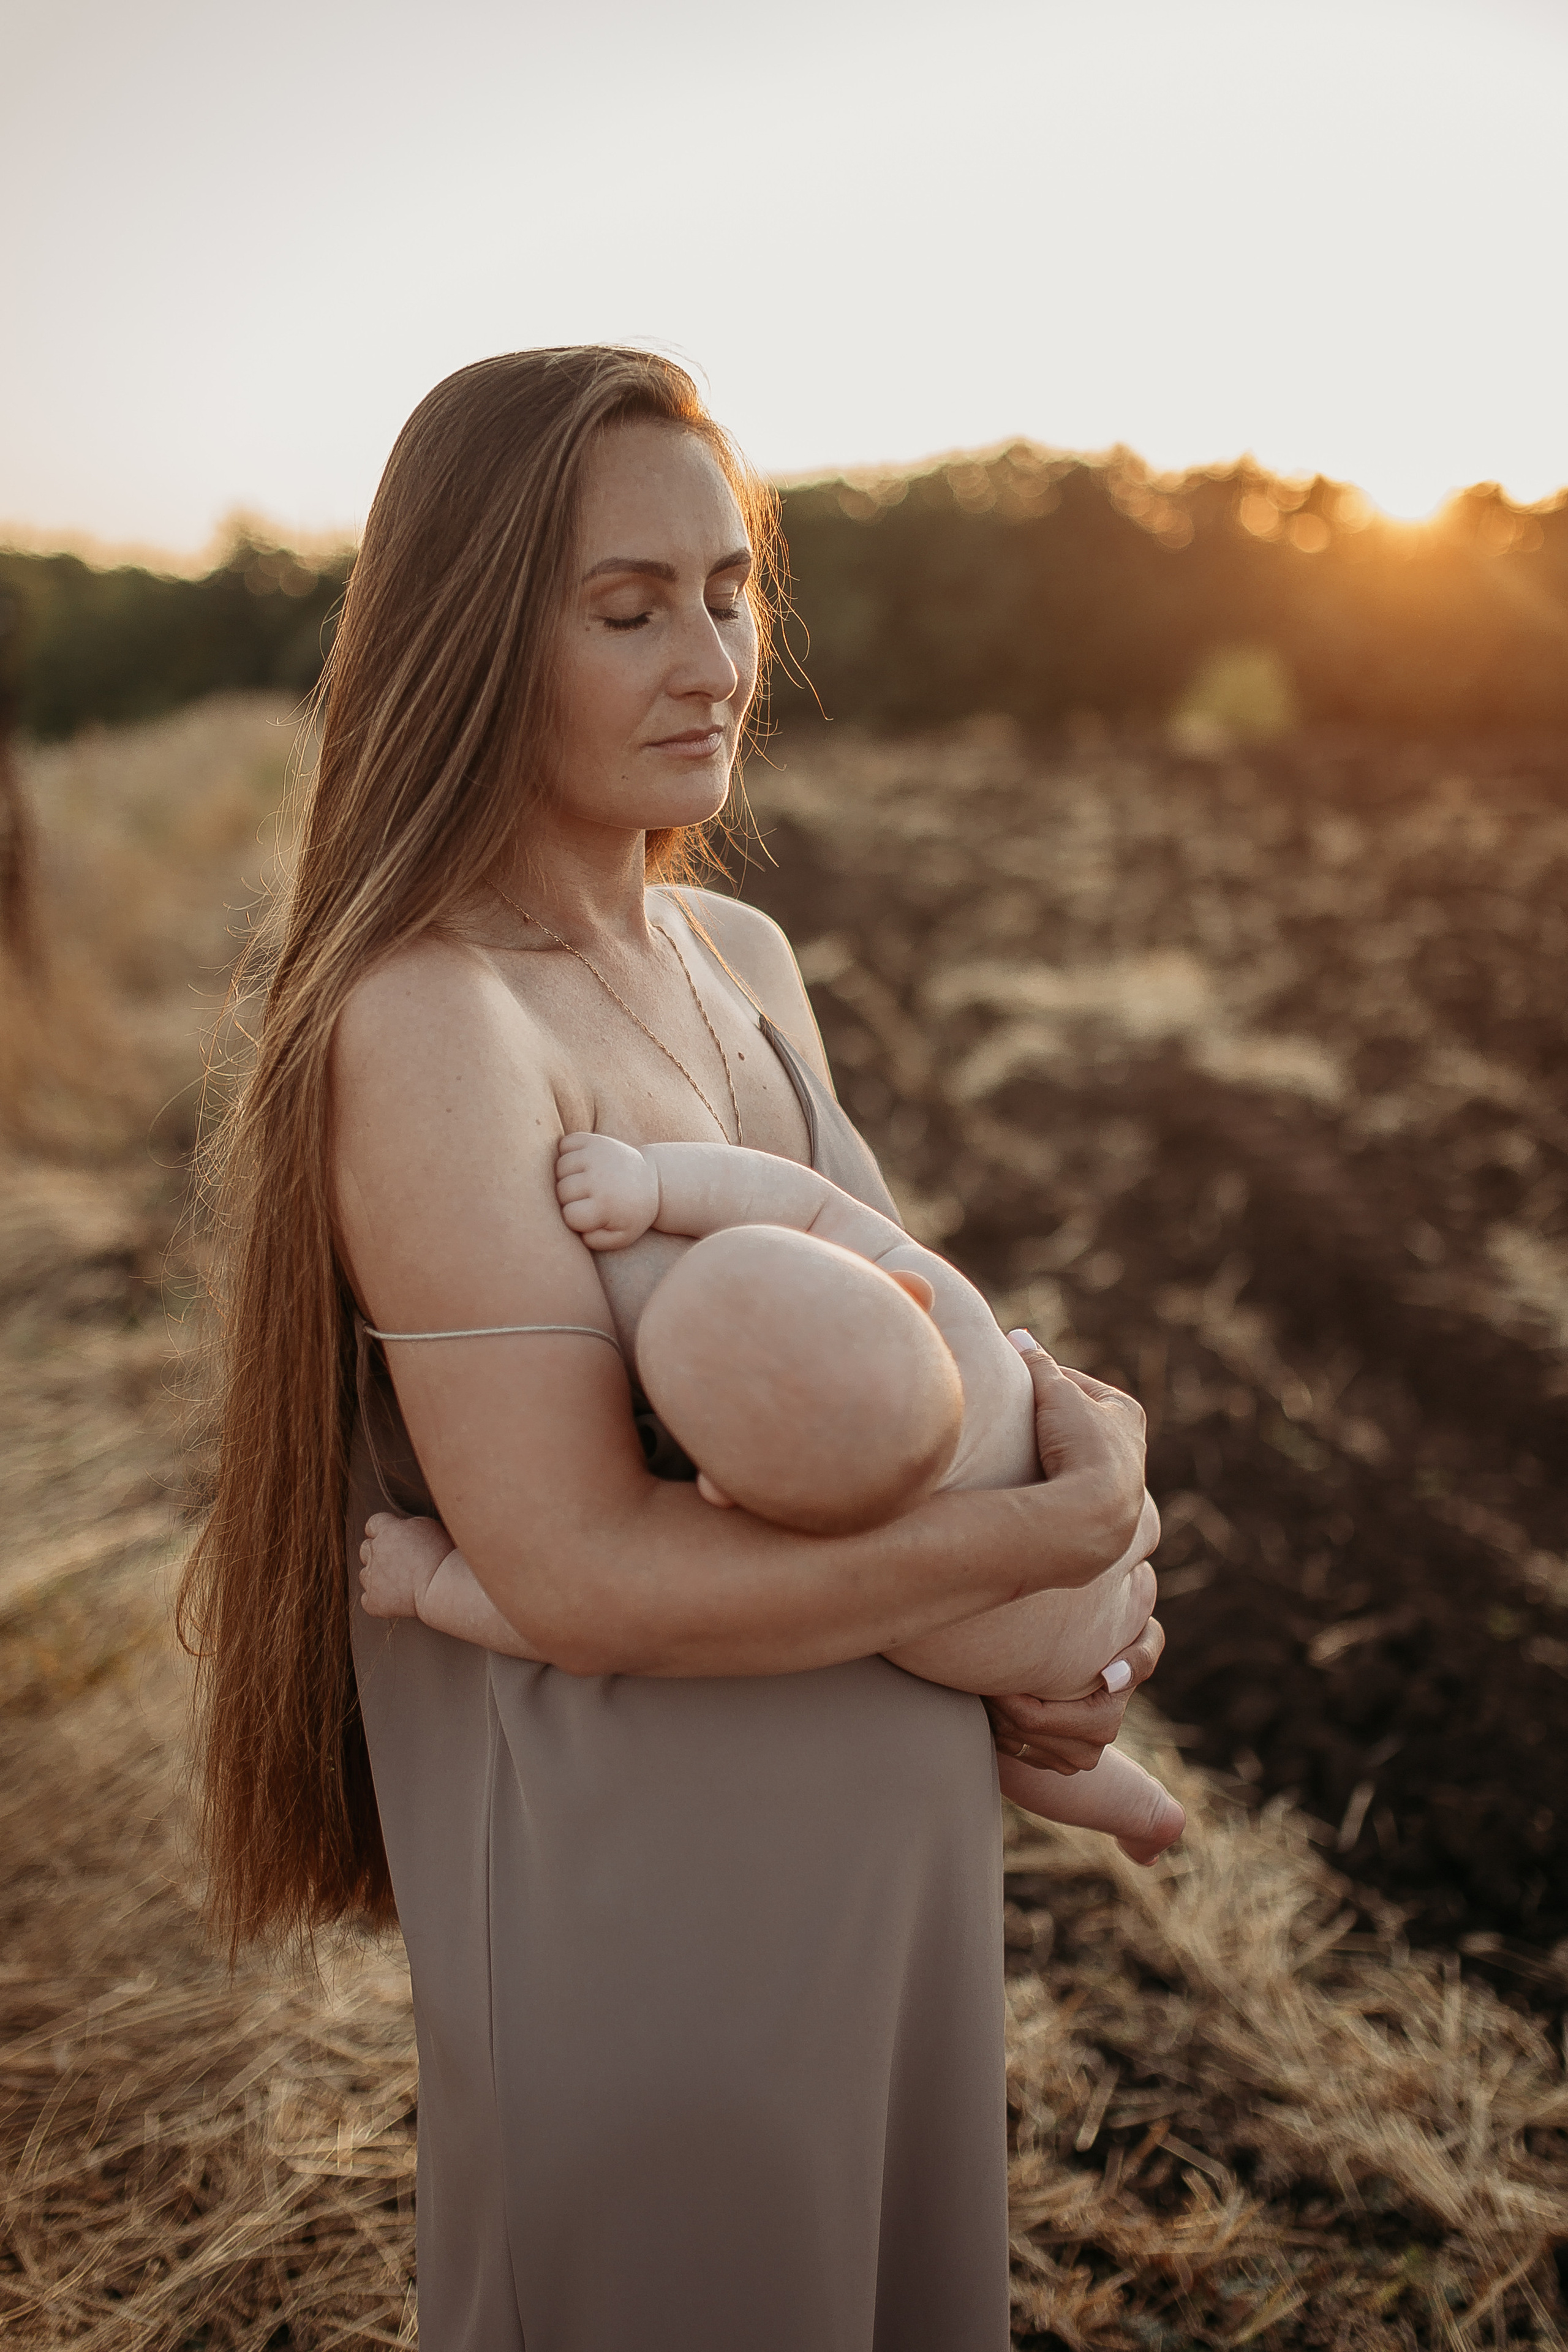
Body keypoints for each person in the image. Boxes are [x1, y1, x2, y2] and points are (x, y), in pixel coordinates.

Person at [179, 346, 1163, 2352]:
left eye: (728, 589)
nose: (712, 656)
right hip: (654, 1940)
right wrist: (1027, 1552)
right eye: (630, 610)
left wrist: (1059, 1642)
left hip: (880, 1901)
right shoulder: (439, 1021)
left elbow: (896, 1399)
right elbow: (575, 1574)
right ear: (475, 642)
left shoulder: (739, 958)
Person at [360, 1133, 1183, 1864]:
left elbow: (608, 1616)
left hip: (1052, 1659)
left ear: (720, 1491)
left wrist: (434, 1584)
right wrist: (654, 1182)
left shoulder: (825, 1538)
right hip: (1084, 1628)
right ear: (904, 1296)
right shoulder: (949, 1306)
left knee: (1004, 1744)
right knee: (1035, 1740)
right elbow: (806, 1200)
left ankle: (1145, 1810)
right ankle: (1146, 1811)